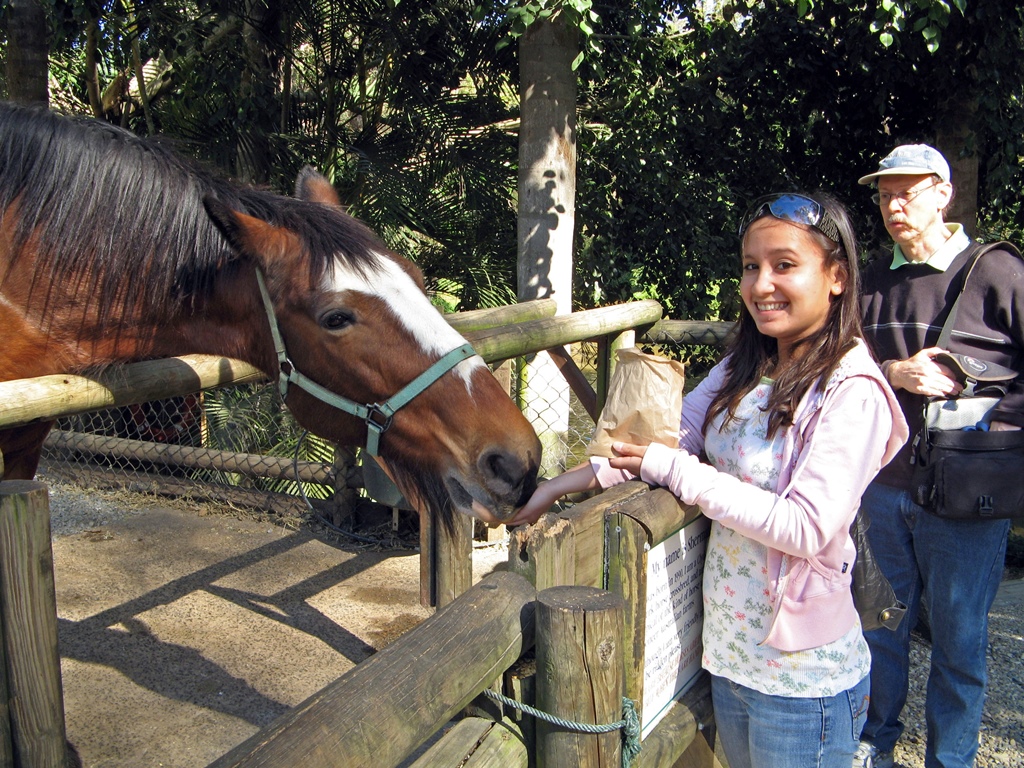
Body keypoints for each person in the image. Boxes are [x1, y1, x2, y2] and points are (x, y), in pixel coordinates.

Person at [511, 192, 908, 768]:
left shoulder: (853, 391)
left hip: (801, 682)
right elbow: (662, 443)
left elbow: (805, 527)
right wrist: (553, 490)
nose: (761, 284)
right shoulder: (746, 365)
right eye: (751, 266)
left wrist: (676, 471)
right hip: (729, 659)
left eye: (785, 265)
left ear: (837, 276)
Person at [855, 145, 1024, 768]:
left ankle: (950, 760)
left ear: (943, 194)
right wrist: (895, 371)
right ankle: (874, 747)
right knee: (878, 630)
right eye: (883, 195)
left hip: (967, 494)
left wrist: (991, 432)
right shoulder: (871, 281)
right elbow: (839, 368)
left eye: (908, 192)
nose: (894, 206)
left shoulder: (998, 271)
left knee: (959, 643)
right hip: (882, 488)